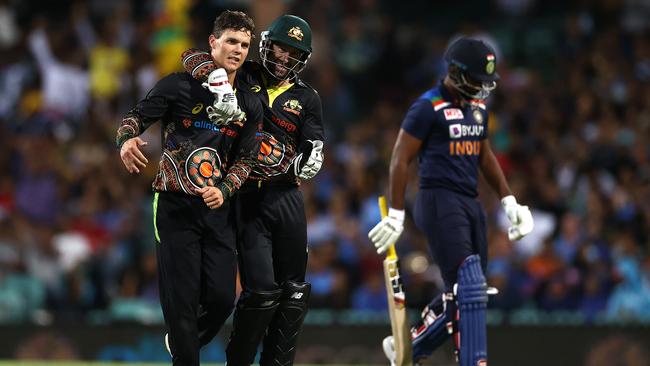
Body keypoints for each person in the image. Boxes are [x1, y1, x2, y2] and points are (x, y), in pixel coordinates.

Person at [368, 37, 534, 366]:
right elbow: (400, 159)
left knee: (468, 293)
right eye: (477, 80)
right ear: (455, 72)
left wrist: (509, 201)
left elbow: (485, 156)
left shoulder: (478, 109)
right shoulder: (427, 106)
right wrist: (396, 214)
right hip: (437, 199)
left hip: (470, 203)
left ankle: (411, 348)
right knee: (469, 285)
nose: (482, 89)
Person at [116, 11, 263, 366]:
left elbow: (247, 159)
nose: (238, 50)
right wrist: (125, 140)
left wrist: (225, 189)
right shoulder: (177, 85)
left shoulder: (249, 101)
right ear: (213, 42)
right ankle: (184, 353)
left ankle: (182, 342)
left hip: (218, 210)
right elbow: (135, 117)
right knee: (180, 300)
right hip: (174, 205)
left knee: (221, 299)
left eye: (244, 44)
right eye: (231, 41)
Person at [180, 14, 324, 366]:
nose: (284, 58)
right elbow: (190, 57)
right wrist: (217, 80)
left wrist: (312, 155)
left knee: (293, 293)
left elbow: (313, 141)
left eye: (294, 53)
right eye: (280, 48)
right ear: (266, 45)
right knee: (261, 292)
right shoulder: (244, 74)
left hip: (287, 196)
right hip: (246, 195)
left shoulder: (307, 97)